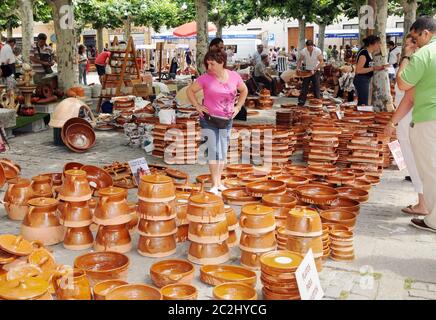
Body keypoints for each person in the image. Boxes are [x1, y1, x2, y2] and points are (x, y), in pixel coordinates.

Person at [393, 16, 436, 232]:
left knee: (429, 168)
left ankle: (432, 217)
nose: (414, 41)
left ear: (425, 33)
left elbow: (403, 84)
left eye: (415, 36)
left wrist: (407, 57)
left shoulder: (424, 54)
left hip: (428, 117)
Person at [186, 49, 248, 195]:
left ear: (221, 63)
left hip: (227, 120)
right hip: (208, 120)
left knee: (222, 151)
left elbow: (244, 90)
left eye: (212, 64)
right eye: (207, 64)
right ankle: (214, 184)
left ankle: (219, 182)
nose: (209, 68)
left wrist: (238, 107)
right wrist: (197, 106)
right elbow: (190, 91)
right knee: (214, 151)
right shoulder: (205, 78)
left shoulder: (234, 76)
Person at [384, 34, 428, 216]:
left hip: (411, 118)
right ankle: (424, 202)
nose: (406, 46)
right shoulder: (424, 58)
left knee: (415, 159)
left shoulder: (417, 60)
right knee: (419, 161)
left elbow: (401, 84)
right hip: (413, 117)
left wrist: (406, 57)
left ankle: (423, 204)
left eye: (411, 42)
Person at [353, 35, 387, 106]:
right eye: (378, 43)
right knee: (363, 102)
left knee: (363, 101)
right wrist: (374, 68)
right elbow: (358, 70)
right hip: (361, 80)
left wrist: (379, 67)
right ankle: (360, 115)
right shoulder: (364, 53)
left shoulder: (369, 53)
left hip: (364, 80)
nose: (379, 45)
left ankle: (361, 115)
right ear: (371, 44)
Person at [297, 40, 324, 106]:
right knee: (304, 86)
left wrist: (314, 70)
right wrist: (298, 67)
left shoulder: (317, 50)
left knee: (316, 87)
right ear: (306, 46)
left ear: (313, 46)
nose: (309, 49)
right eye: (308, 48)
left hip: (316, 70)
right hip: (307, 70)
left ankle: (317, 103)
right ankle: (301, 101)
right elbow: (300, 60)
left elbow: (321, 62)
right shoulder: (304, 51)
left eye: (310, 47)